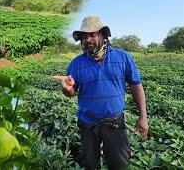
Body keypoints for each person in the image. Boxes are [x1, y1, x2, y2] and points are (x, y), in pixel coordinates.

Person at [58, 16, 148, 170]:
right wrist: (67, 89)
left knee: (118, 165)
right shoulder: (76, 63)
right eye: (84, 36)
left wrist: (143, 117)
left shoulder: (122, 57)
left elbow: (136, 86)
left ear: (103, 36)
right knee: (90, 165)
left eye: (92, 35)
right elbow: (71, 92)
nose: (88, 39)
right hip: (87, 124)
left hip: (114, 123)